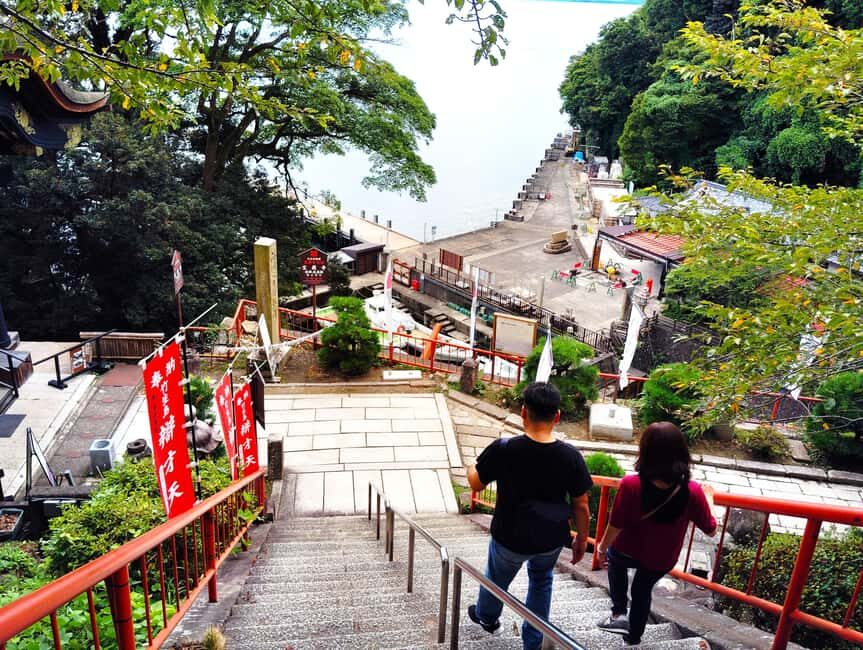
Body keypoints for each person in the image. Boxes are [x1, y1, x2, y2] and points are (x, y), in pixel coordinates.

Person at [467, 382, 593, 649]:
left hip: (510, 536)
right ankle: (533, 641)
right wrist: (581, 539)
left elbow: (476, 483)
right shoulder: (571, 456)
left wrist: (471, 466)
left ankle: (487, 617)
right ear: (556, 416)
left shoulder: (504, 448)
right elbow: (581, 505)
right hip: (550, 538)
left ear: (523, 412)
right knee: (541, 582)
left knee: (497, 578)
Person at [596, 422, 717, 646]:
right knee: (642, 591)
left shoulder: (631, 484)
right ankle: (633, 638)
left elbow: (616, 524)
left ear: (645, 451)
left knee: (615, 559)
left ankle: (619, 613)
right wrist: (709, 498)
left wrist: (602, 548)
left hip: (626, 549)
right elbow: (711, 530)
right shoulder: (693, 491)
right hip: (661, 557)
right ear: (681, 452)